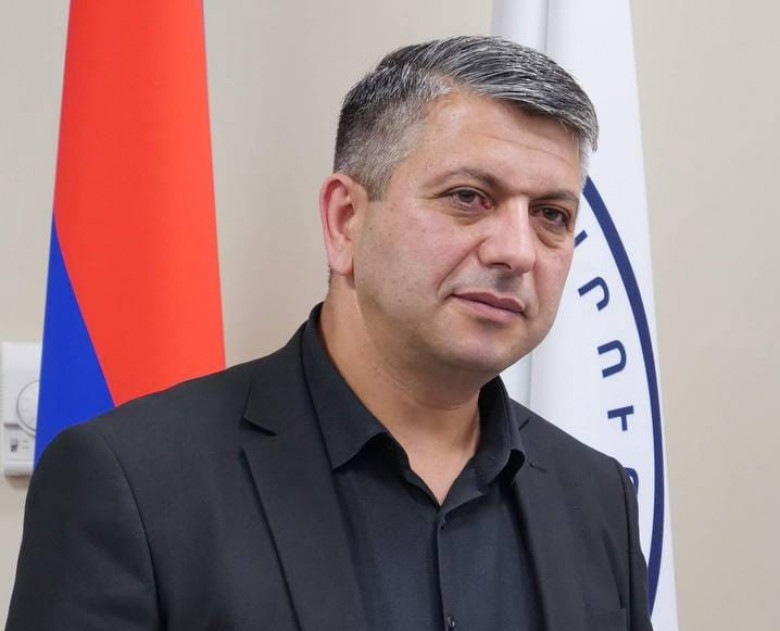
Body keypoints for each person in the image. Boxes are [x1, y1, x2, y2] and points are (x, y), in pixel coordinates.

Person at [6, 36, 652, 631]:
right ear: (346, 220)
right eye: (468, 197)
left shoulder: (598, 497)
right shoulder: (133, 481)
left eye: (551, 215)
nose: (516, 250)